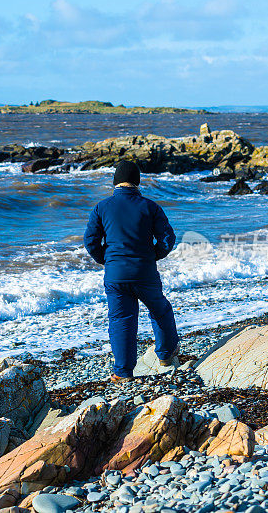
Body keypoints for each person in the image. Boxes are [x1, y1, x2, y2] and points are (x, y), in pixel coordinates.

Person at [83, 160, 179, 381]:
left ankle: (123, 373)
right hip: (145, 271)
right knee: (160, 310)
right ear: (137, 182)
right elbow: (167, 239)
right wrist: (153, 255)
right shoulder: (150, 206)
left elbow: (90, 241)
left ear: (115, 182)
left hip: (115, 274)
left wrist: (105, 259)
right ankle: (166, 356)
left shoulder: (101, 207)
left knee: (121, 319)